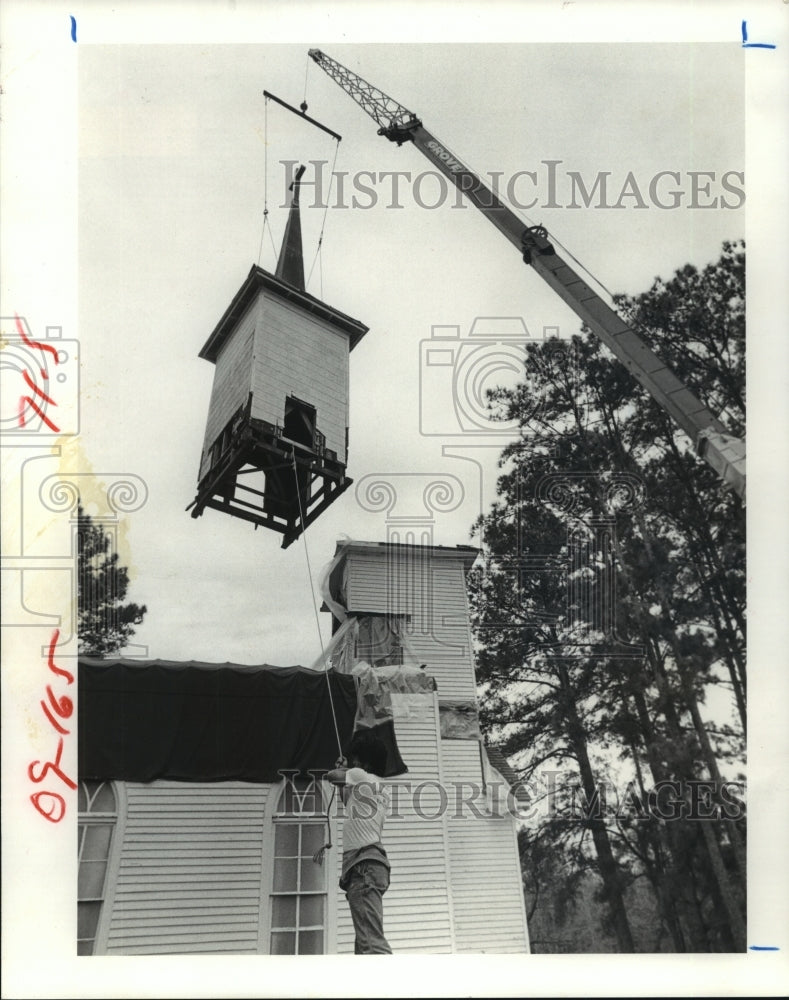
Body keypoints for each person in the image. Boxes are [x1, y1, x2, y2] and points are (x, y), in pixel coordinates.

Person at [327, 730, 392, 954]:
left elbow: (331, 775)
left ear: (365, 761)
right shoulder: (380, 787)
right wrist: (344, 778)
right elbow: (348, 801)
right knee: (365, 943)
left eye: (355, 759)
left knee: (372, 946)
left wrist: (343, 769)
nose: (353, 762)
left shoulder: (360, 775)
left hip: (362, 865)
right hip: (371, 866)